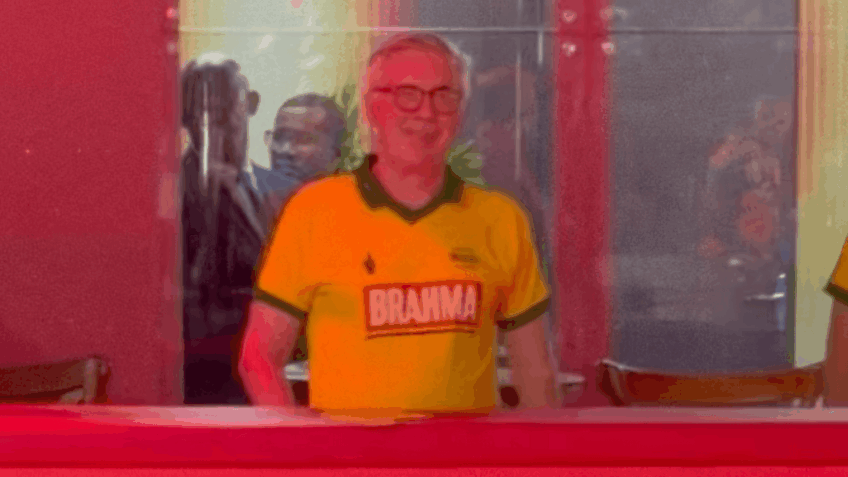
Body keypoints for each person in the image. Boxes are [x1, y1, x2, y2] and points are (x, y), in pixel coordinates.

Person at [238, 32, 560, 419]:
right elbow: (260, 357)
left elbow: (535, 373)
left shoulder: (501, 219)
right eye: (408, 94)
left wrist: (541, 448)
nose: (426, 113)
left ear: (461, 112)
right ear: (373, 107)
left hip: (467, 453)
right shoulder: (313, 211)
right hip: (351, 454)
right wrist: (296, 447)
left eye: (445, 96)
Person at [180, 53, 266, 404]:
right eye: (208, 112)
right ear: (186, 120)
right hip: (218, 385)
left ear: (250, 105)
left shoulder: (256, 185)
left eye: (231, 106)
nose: (222, 124)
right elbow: (194, 302)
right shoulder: (185, 191)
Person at [251, 93, 347, 229]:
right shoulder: (249, 206)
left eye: (304, 140)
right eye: (279, 137)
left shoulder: (353, 216)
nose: (286, 150)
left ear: (337, 153)